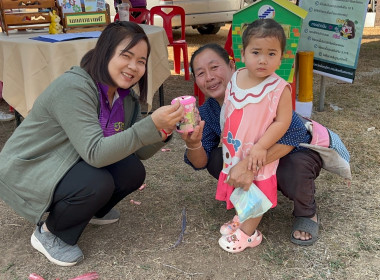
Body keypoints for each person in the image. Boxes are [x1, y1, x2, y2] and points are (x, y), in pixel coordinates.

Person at [0, 21, 184, 267]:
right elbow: (96, 154)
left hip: (71, 160)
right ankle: (50, 234)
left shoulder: (124, 96)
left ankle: (92, 210)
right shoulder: (74, 87)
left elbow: (137, 151)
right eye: (126, 56)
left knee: (131, 170)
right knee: (97, 182)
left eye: (141, 61)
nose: (134, 67)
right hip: (32, 167)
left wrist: (162, 131)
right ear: (105, 52)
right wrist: (149, 124)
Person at [183, 39, 322, 248]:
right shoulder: (208, 111)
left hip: (294, 151)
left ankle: (307, 213)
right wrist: (192, 143)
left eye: (214, 67)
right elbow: (199, 162)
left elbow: (295, 134)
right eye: (201, 73)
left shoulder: (264, 91)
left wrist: (248, 165)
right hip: (255, 157)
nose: (209, 77)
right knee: (217, 159)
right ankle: (250, 207)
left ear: (232, 66)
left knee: (294, 167)